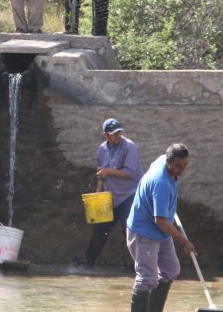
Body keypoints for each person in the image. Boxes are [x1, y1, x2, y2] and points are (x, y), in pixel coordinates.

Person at [126, 143, 196, 312]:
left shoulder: (160, 161)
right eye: (178, 166)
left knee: (170, 270)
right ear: (168, 161)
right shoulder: (161, 184)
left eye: (185, 165)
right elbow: (161, 221)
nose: (182, 170)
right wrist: (184, 241)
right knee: (146, 278)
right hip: (144, 232)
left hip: (160, 231)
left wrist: (163, 205)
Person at [73, 118, 144, 267]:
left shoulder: (129, 146)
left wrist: (108, 171)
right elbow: (102, 174)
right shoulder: (101, 149)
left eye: (119, 133)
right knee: (100, 230)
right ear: (105, 135)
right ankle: (88, 262)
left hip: (130, 194)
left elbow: (131, 173)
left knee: (128, 229)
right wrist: (98, 194)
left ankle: (141, 266)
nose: (118, 136)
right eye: (114, 134)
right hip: (110, 196)